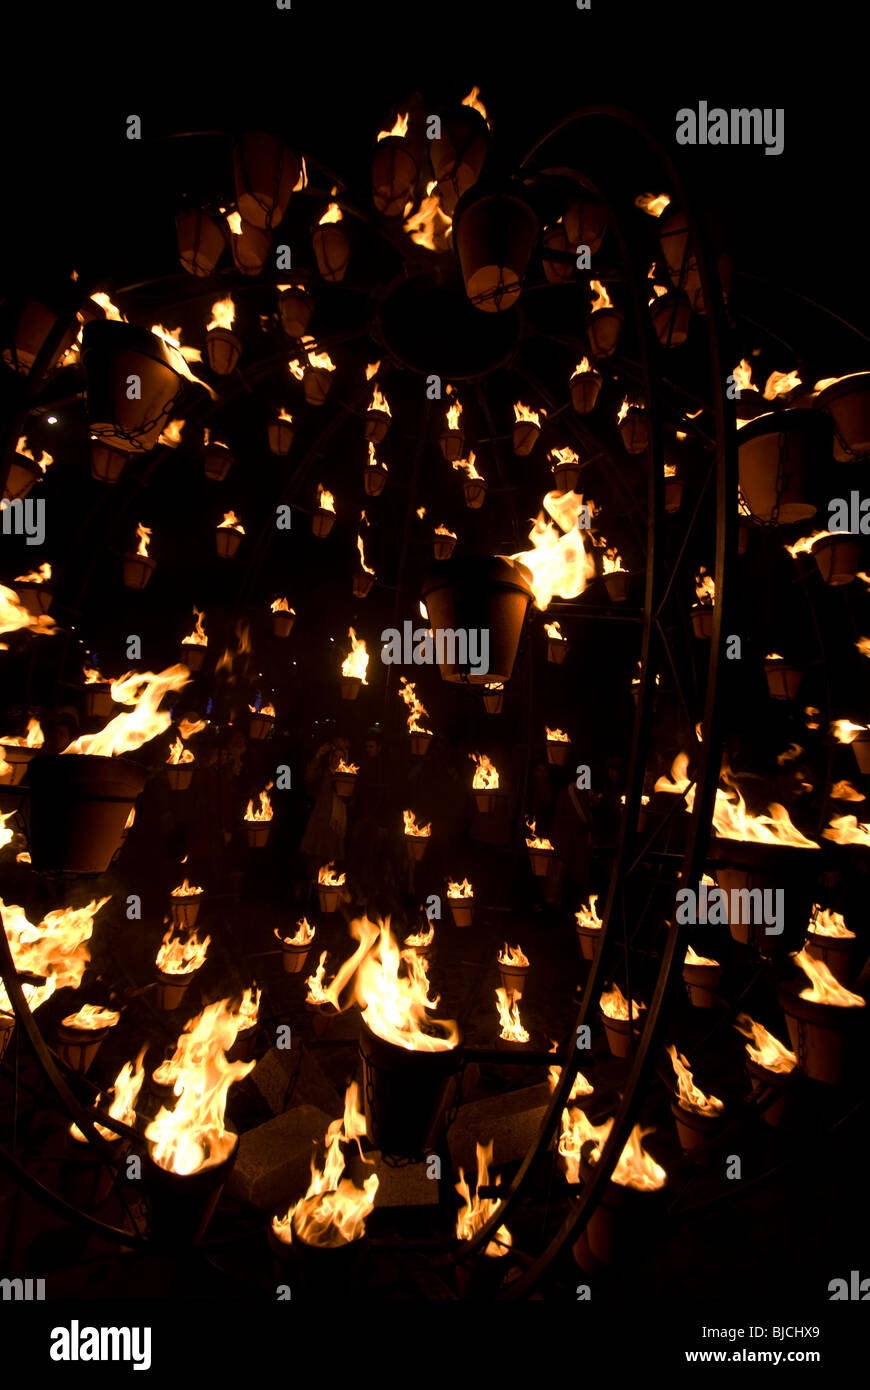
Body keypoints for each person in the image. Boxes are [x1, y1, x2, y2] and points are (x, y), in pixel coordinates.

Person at [300, 736, 348, 880]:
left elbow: (351, 800)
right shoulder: (322, 773)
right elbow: (309, 778)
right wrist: (318, 755)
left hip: (336, 824)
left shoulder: (347, 775)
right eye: (335, 756)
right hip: (320, 819)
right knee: (315, 860)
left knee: (331, 862)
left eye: (340, 757)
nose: (337, 760)